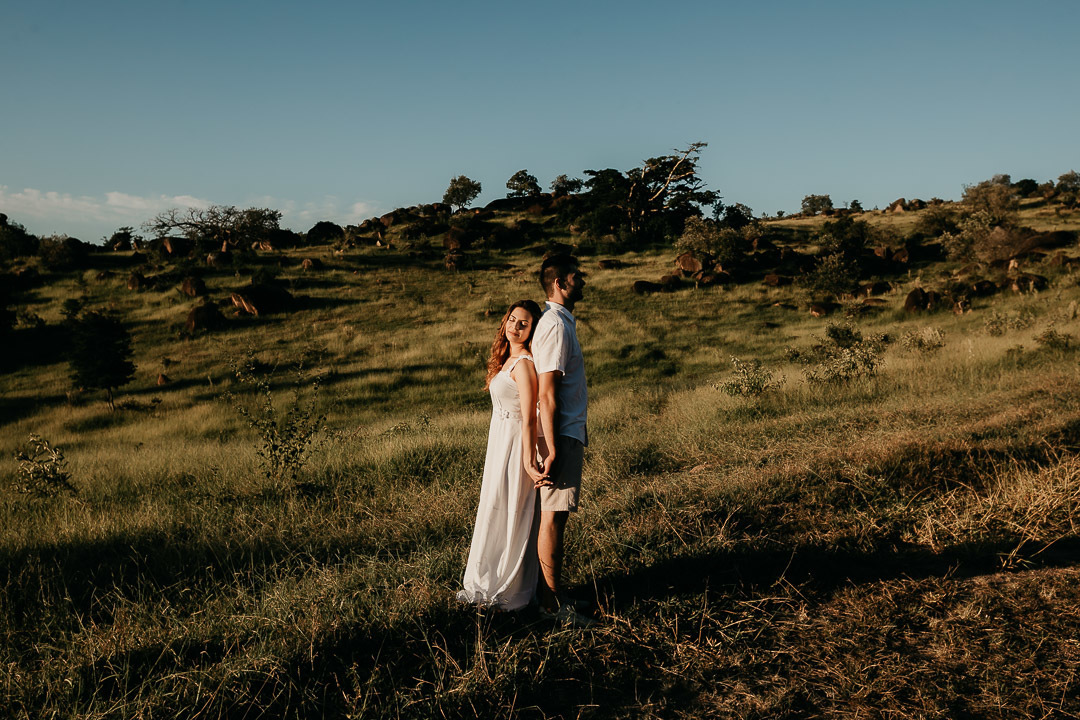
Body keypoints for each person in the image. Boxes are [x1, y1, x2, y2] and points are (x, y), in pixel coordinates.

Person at [458, 300, 547, 610]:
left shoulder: (524, 364)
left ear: (532, 330)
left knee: (510, 507)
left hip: (514, 445)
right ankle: (486, 575)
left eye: (524, 323)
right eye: (512, 320)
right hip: (499, 441)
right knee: (493, 504)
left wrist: (526, 457)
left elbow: (530, 416)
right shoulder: (507, 360)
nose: (515, 327)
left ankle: (509, 586)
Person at [531, 254, 595, 626]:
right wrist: (553, 445)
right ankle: (553, 606)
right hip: (561, 433)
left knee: (555, 518)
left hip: (565, 431)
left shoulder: (558, 321)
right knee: (553, 518)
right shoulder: (555, 325)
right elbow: (548, 391)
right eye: (577, 277)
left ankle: (555, 595)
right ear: (560, 282)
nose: (582, 282)